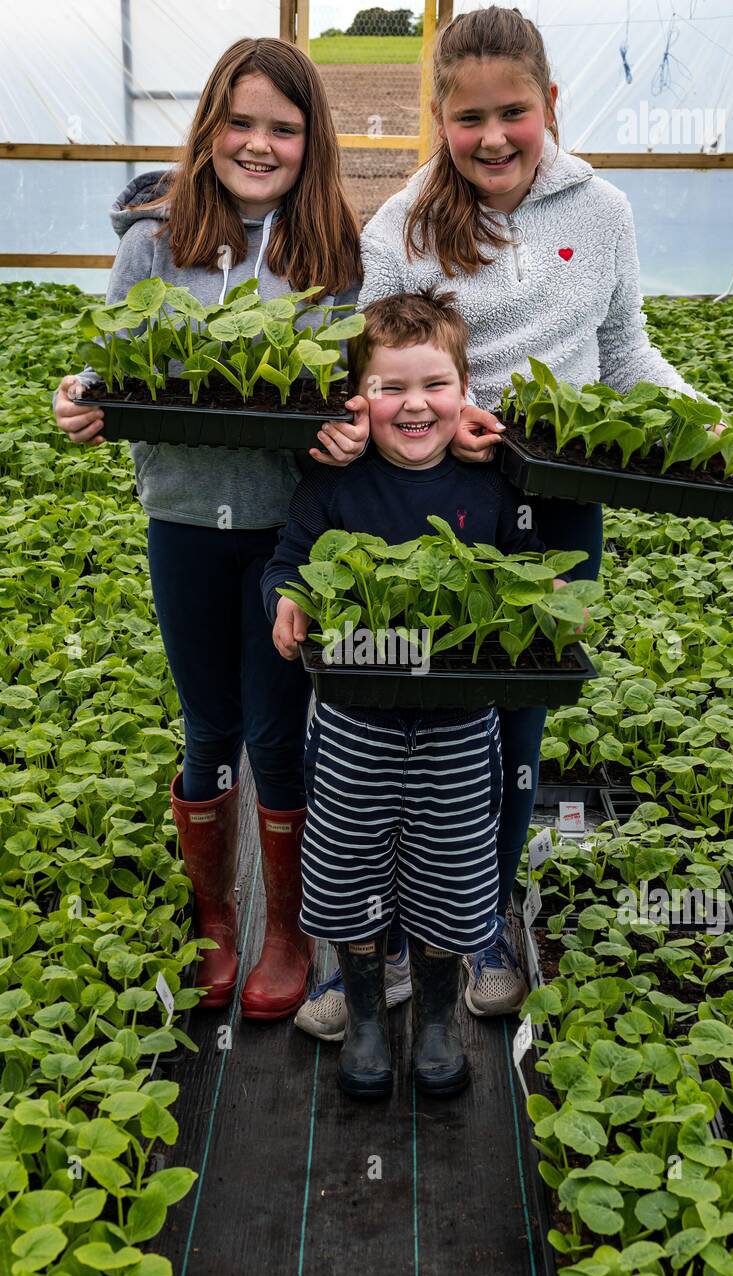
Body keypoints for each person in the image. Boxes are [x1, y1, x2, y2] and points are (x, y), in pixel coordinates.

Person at [346, 3, 733, 1018]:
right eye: (466, 118)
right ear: (438, 119)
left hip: (561, 503)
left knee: (519, 718)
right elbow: (374, 375)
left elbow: (624, 353)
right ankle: (393, 925)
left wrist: (708, 426)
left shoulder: (602, 211)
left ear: (550, 104)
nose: (491, 138)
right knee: (425, 716)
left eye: (512, 112)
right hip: (438, 516)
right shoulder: (402, 230)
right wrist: (441, 417)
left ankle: (479, 924)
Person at [52, 37, 370, 1020]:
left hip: (285, 529)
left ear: (310, 140)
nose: (259, 143)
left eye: (282, 127)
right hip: (184, 513)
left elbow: (348, 388)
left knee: (280, 724)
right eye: (241, 122)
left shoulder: (329, 254)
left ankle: (287, 925)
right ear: (209, 127)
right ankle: (215, 921)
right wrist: (83, 398)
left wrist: (351, 426)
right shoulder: (154, 239)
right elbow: (109, 361)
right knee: (207, 719)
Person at [262, 287, 586, 1099]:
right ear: (357, 398)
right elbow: (286, 562)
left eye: (434, 385)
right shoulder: (331, 486)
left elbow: (531, 576)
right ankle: (368, 1013)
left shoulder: (495, 489)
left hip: (457, 724)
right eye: (390, 388)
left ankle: (437, 1018)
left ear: (465, 391)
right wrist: (289, 600)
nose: (414, 405)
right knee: (345, 862)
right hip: (350, 723)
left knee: (452, 864)